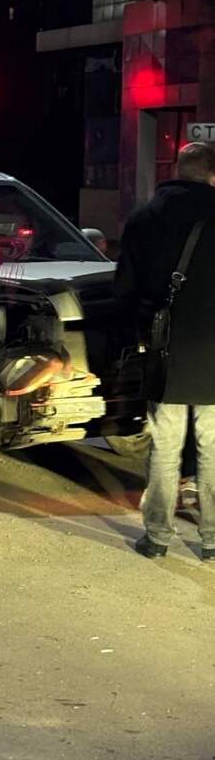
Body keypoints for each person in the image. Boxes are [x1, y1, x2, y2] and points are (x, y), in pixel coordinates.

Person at [115, 141, 215, 561]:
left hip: (165, 348)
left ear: (177, 170)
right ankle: (212, 540)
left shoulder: (145, 217)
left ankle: (157, 536)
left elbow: (125, 288)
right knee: (213, 446)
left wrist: (137, 330)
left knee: (165, 443)